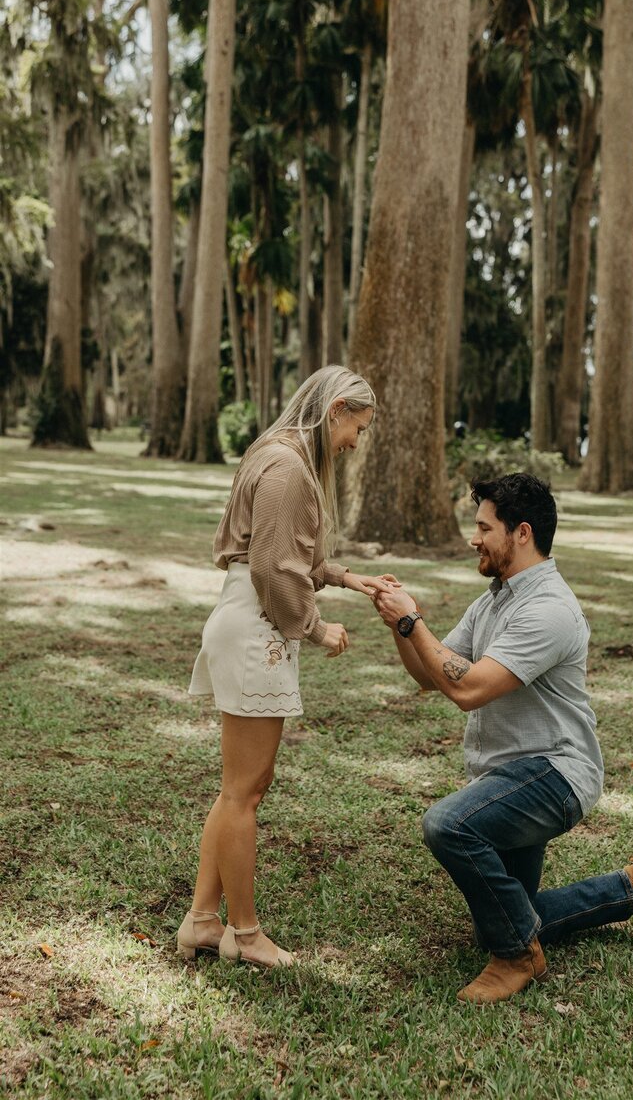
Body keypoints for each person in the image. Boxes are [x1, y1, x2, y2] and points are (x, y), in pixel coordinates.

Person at [373, 472, 633, 1004]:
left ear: (521, 532)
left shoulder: (549, 609)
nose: (474, 537)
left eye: (483, 527)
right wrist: (399, 624)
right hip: (510, 774)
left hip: (555, 773)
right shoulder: (493, 600)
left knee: (448, 826)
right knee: (515, 916)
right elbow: (431, 674)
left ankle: (518, 958)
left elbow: (469, 690)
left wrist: (411, 623)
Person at [178, 366, 395, 970]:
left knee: (238, 790)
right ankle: (244, 936)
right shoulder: (288, 468)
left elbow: (295, 552)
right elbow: (274, 570)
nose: (357, 441)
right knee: (245, 792)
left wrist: (351, 579)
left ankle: (201, 921)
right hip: (256, 626)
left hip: (249, 623)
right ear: (336, 411)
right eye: (358, 426)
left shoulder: (280, 457)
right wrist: (318, 627)